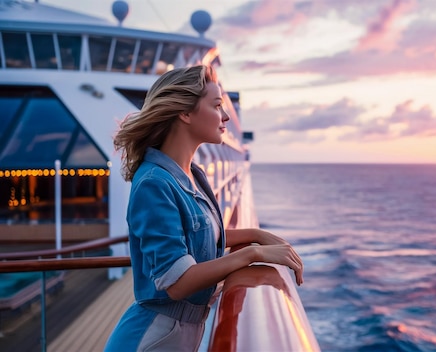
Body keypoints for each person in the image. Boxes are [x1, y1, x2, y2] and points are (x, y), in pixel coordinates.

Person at [104, 64, 304, 352]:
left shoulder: (191, 175)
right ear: (185, 113)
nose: (224, 116)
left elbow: (200, 236)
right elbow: (178, 282)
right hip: (153, 338)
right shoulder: (154, 183)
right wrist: (253, 252)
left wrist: (256, 233)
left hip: (181, 332)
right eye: (217, 106)